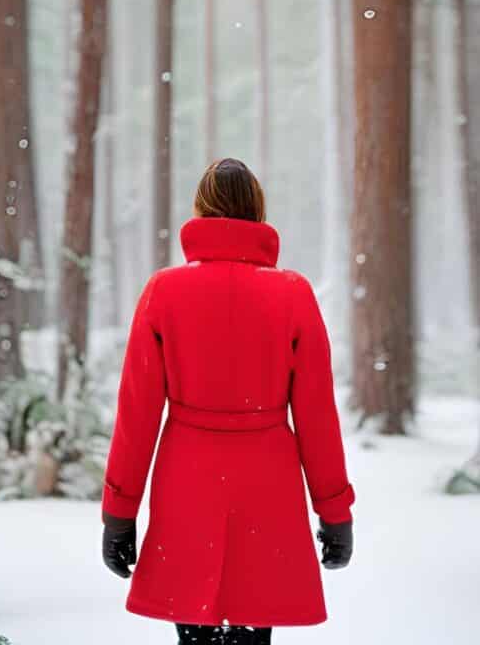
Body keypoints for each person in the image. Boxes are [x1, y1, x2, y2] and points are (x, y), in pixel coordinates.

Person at [101, 158, 355, 644]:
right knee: (252, 635)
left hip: (187, 481)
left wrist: (119, 511)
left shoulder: (164, 291)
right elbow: (317, 415)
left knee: (194, 634)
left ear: (200, 211)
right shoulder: (293, 294)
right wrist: (334, 510)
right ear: (257, 212)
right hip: (269, 485)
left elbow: (136, 414)